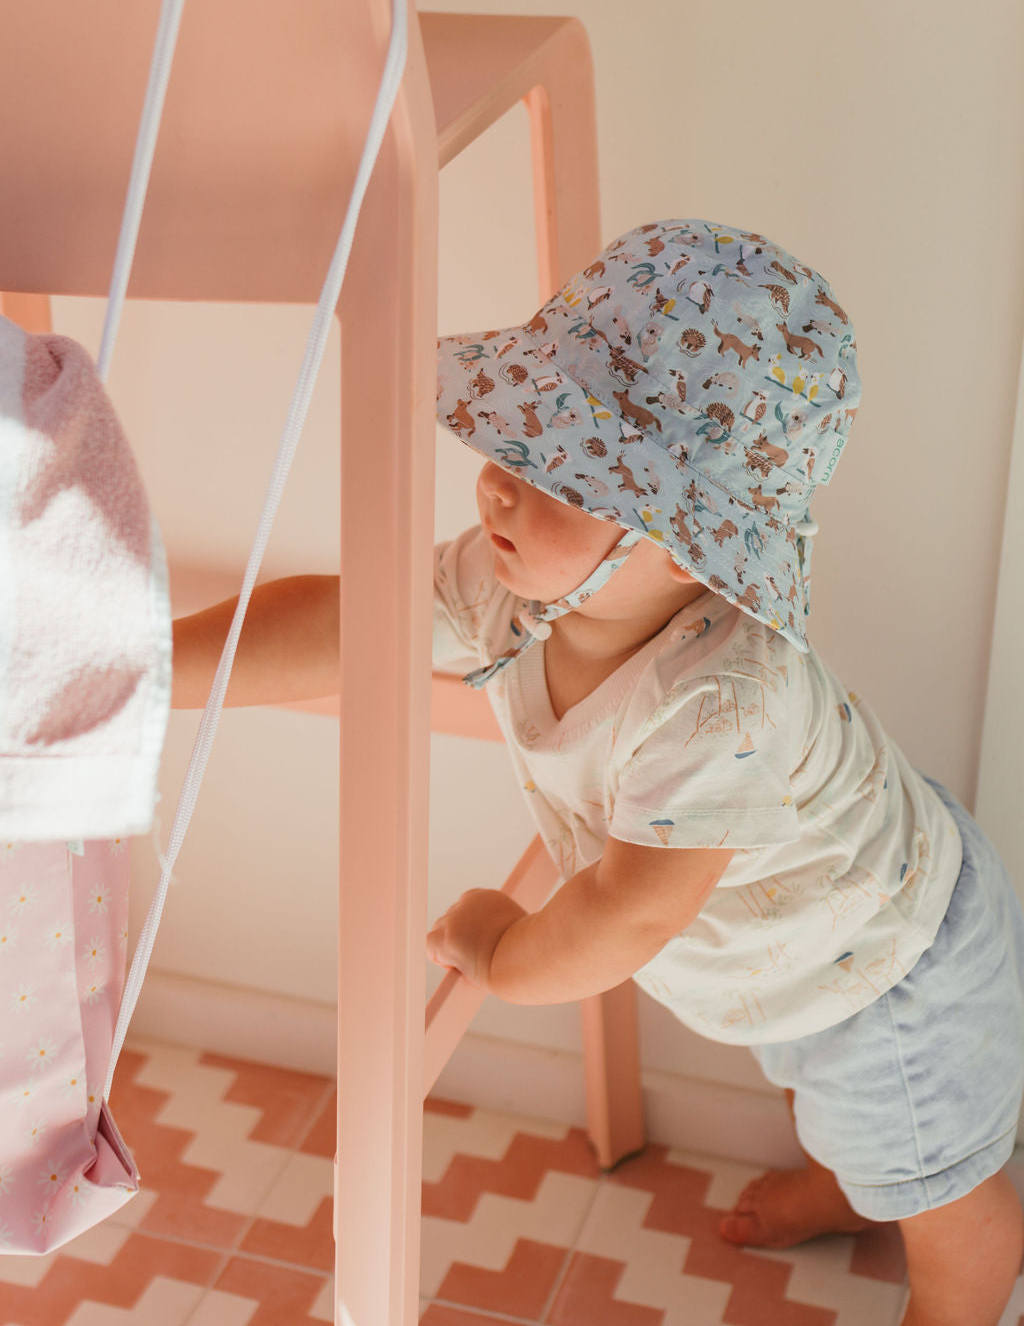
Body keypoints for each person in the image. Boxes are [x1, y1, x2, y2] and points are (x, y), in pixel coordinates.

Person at [171, 219, 1024, 1326]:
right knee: (831, 1100)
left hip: (890, 974)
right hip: (785, 952)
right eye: (514, 444)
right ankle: (852, 1183)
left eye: (562, 477)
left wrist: (500, 951)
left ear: (688, 544)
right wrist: (152, 663)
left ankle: (941, 1279)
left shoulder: (721, 706)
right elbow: (353, 612)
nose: (498, 492)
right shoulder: (515, 579)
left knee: (941, 1189)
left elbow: (626, 916)